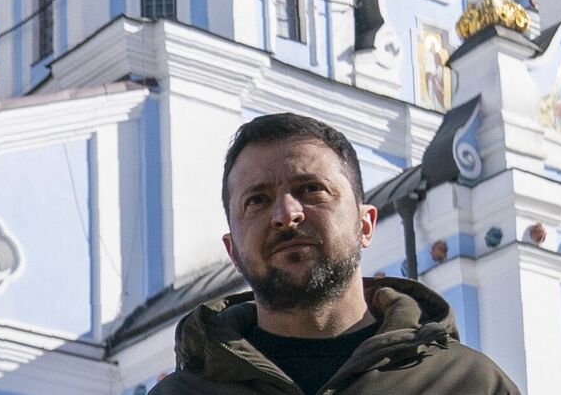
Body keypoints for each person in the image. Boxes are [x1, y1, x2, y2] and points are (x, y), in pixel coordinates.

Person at [150, 113, 519, 394]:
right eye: (257, 200)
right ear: (233, 251)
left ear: (366, 225)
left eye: (311, 189)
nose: (286, 215)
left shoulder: (468, 384)